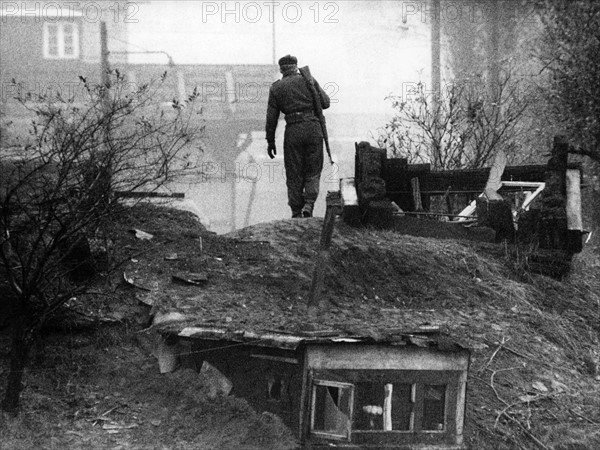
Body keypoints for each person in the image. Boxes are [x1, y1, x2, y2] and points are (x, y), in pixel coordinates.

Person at [265, 54, 330, 218]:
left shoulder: (276, 88)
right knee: (313, 169)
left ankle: (295, 210)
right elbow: (325, 102)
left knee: (294, 172)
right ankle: (309, 204)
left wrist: (270, 141)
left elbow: (271, 119)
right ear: (296, 66)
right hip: (313, 128)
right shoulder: (308, 80)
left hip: (293, 131)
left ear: (281, 69)